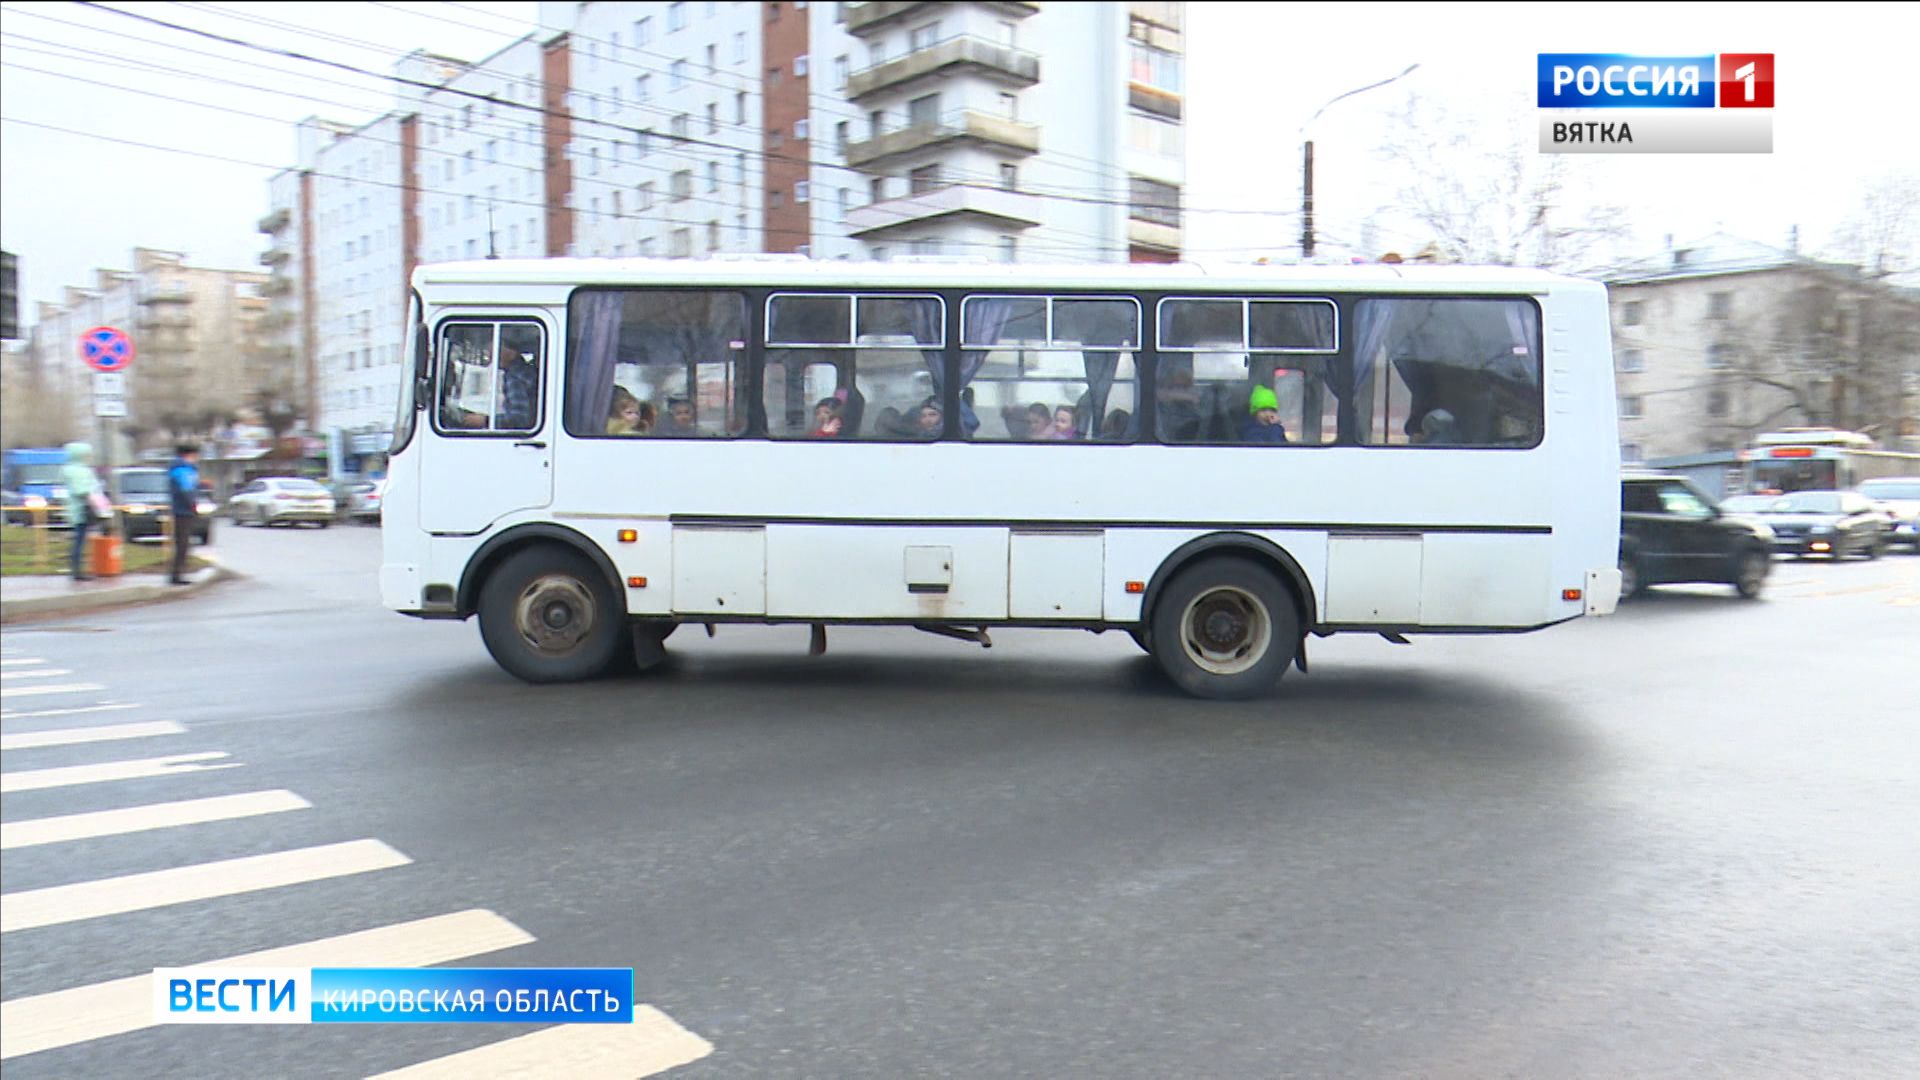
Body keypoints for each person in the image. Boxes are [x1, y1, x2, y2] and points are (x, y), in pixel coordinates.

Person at [61, 441, 100, 581]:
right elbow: (82, 490)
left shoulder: (70, 469)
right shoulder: (80, 471)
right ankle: (77, 571)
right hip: (83, 509)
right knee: (79, 540)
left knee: (79, 540)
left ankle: (77, 569)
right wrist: (98, 503)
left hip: (78, 508)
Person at [167, 444, 201, 585]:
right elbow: (186, 489)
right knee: (183, 543)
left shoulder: (184, 469)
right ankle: (176, 575)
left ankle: (178, 573)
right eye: (195, 455)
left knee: (183, 543)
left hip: (182, 509)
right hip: (183, 510)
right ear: (189, 455)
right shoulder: (182, 470)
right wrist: (192, 506)